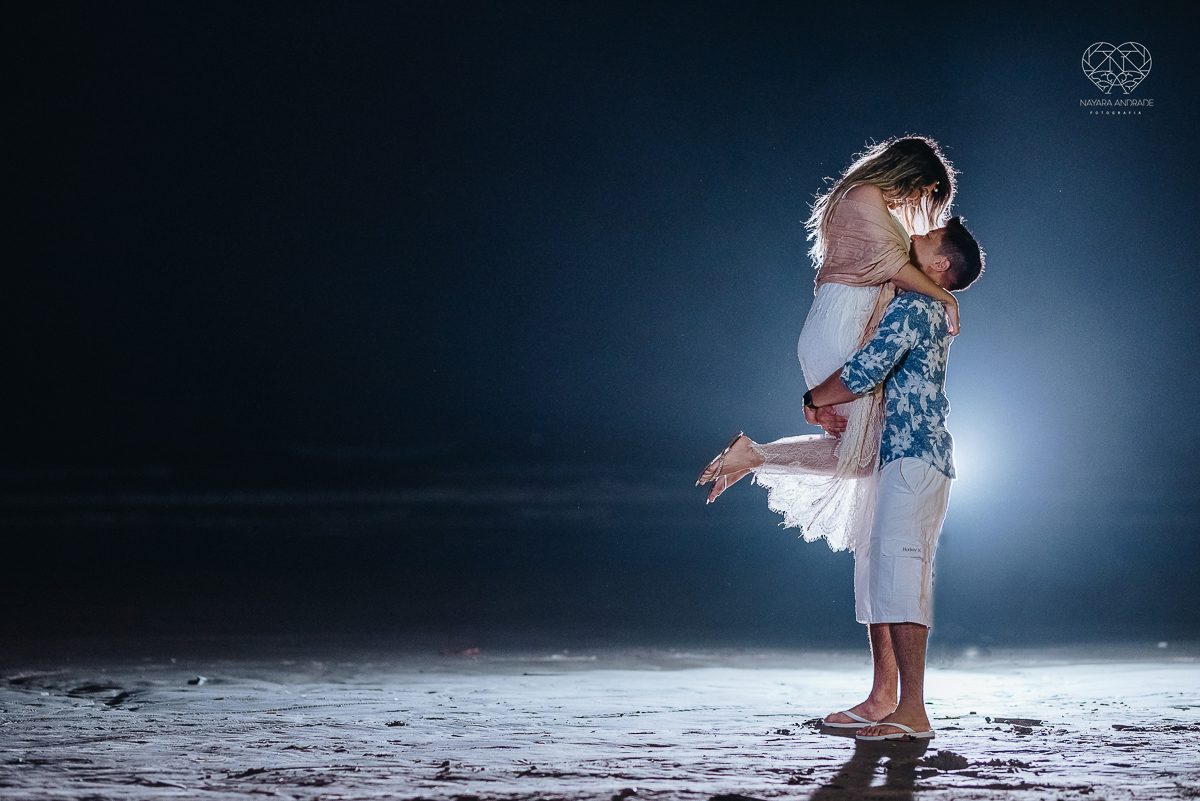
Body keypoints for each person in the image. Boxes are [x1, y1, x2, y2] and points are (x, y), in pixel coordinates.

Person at [697, 136, 960, 556]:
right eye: (924, 189)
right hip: (843, 325)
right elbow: (892, 267)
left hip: (833, 324)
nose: (918, 198)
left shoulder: (859, 198)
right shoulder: (865, 195)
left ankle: (755, 455)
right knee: (865, 455)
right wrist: (947, 297)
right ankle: (755, 455)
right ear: (909, 171)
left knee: (858, 454)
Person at [803, 216, 984, 739]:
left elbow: (865, 370)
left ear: (941, 265)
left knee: (902, 581)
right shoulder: (914, 301)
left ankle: (914, 712)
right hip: (896, 457)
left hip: (915, 457)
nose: (912, 239)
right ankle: (883, 698)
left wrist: (813, 399)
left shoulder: (920, 305)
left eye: (924, 241)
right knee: (878, 578)